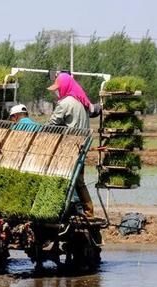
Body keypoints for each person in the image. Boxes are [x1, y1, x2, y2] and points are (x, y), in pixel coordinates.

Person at [47, 72, 95, 218]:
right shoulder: (82, 101)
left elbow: (52, 124)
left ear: (65, 86)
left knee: (67, 178)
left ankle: (72, 209)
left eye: (58, 88)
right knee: (79, 179)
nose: (57, 91)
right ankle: (87, 210)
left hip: (69, 147)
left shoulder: (66, 103)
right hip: (82, 145)